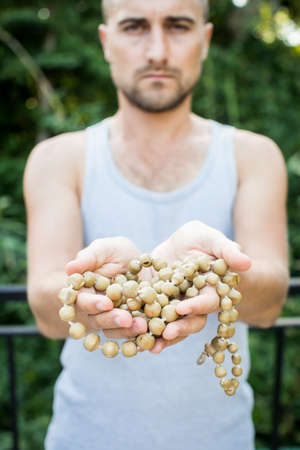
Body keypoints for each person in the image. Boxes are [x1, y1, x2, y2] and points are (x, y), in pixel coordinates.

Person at [23, 0, 289, 449]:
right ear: (107, 43)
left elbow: (271, 300)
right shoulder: (57, 160)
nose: (158, 50)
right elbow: (46, 311)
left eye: (178, 25)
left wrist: (213, 272)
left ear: (204, 42)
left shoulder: (254, 156)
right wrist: (97, 294)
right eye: (135, 27)